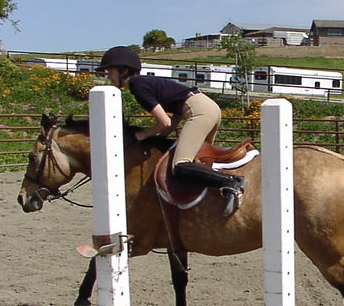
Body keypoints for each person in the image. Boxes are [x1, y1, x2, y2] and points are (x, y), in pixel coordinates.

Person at [98, 46, 245, 216]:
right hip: (208, 107)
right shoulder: (146, 83)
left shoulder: (137, 86)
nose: (108, 76)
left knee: (180, 165)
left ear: (123, 71)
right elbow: (175, 117)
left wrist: (142, 135)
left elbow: (164, 121)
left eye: (110, 71)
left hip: (199, 111)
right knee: (200, 161)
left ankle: (232, 183)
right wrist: (161, 137)